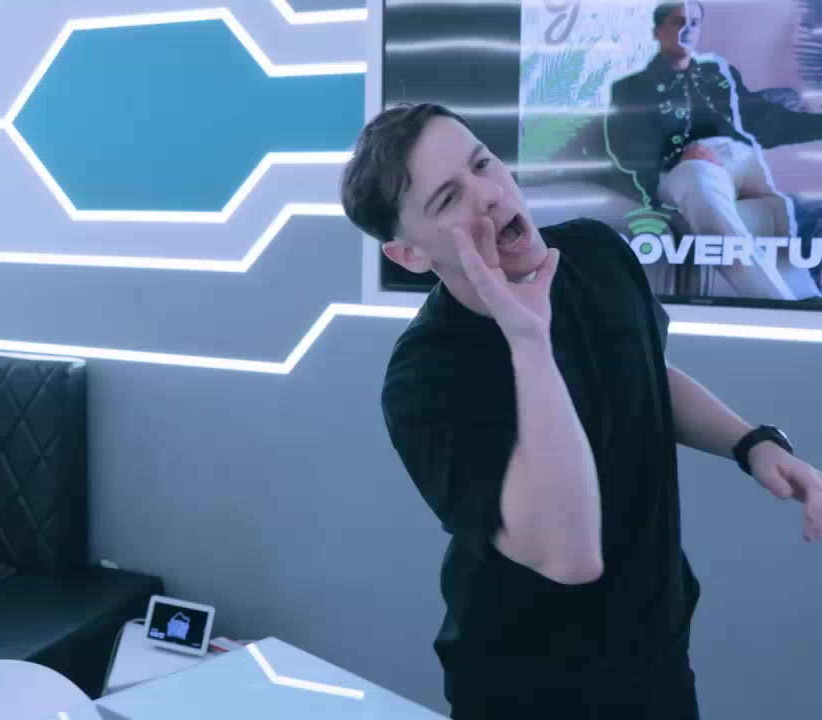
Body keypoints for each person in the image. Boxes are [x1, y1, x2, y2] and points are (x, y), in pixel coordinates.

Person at [340, 102, 822, 719]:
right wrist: (529, 340)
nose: (489, 194)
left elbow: (643, 373)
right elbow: (570, 556)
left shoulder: (595, 251)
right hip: (529, 688)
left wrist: (751, 444)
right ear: (410, 254)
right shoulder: (423, 380)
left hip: (658, 656)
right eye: (448, 198)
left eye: (482, 164)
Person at [606, 0, 822, 300]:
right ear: (657, 31)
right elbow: (625, 147)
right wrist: (678, 156)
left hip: (738, 155)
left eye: (694, 23)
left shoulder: (717, 73)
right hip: (684, 165)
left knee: (796, 185)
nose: (688, 30)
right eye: (678, 22)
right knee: (702, 183)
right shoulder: (631, 87)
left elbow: (763, 119)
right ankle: (777, 303)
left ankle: (809, 295)